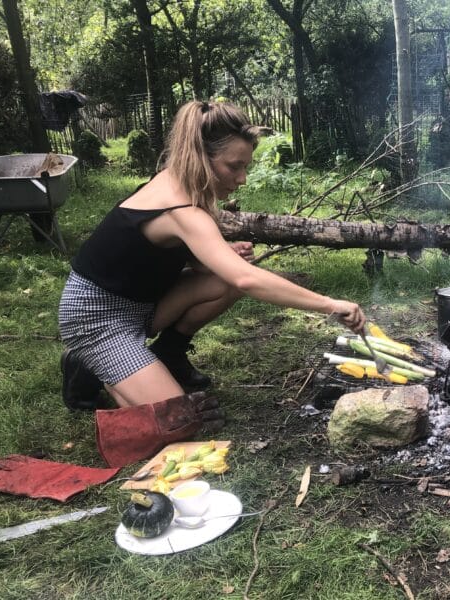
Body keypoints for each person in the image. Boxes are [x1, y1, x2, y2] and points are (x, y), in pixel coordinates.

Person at [58, 100, 365, 466]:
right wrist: (330, 304)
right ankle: (89, 364)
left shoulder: (178, 184)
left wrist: (219, 254)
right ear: (200, 157)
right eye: (234, 166)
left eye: (245, 166)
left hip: (140, 307)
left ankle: (165, 356)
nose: (242, 178)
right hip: (96, 318)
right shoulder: (180, 209)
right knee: (176, 421)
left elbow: (161, 255)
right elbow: (246, 279)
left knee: (225, 278)